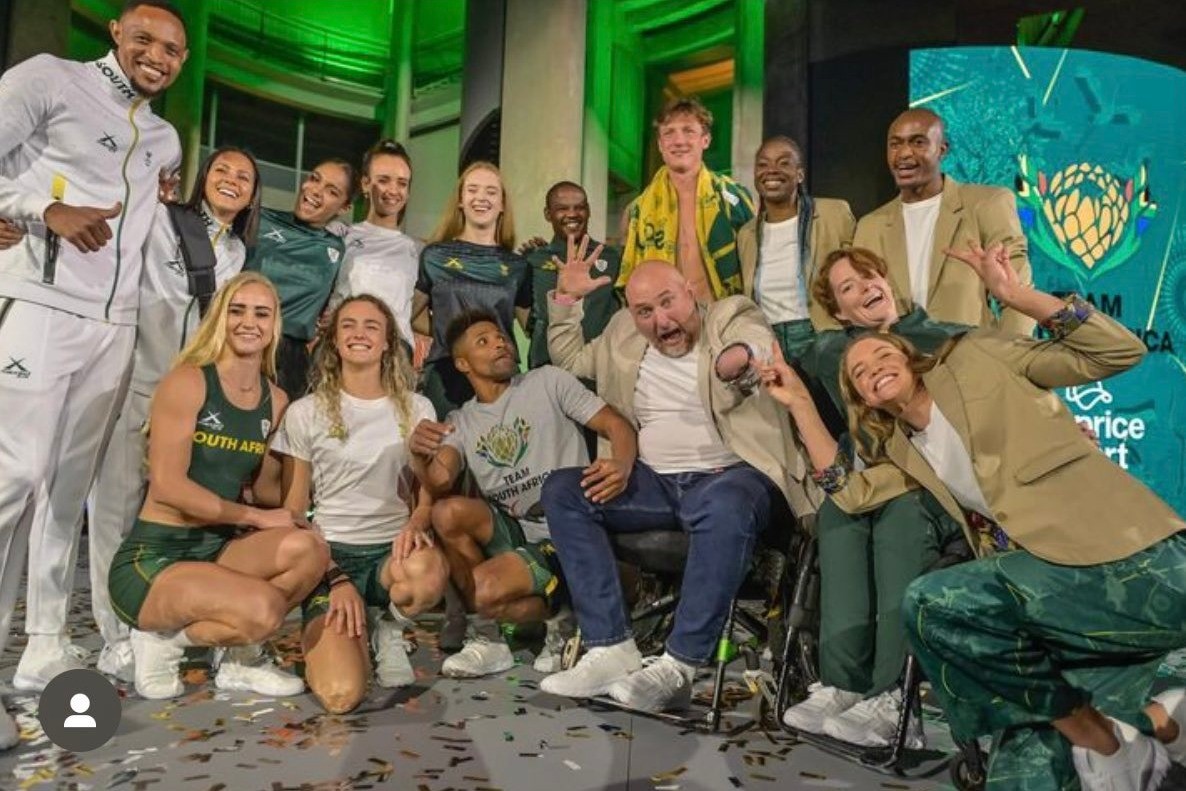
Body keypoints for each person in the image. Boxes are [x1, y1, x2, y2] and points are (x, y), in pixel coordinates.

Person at [762, 243, 1186, 789]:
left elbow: (1116, 352)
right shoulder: (905, 448)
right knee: (1019, 780)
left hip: (1134, 562)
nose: (873, 367)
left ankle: (1123, 733)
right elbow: (850, 492)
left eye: (882, 354)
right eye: (859, 372)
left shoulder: (976, 355)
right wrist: (800, 404)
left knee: (935, 602)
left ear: (910, 357)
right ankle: (1145, 728)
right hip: (1059, 612)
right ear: (863, 400)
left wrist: (1016, 295)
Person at [0, 0, 187, 744]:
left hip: (114, 330)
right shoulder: (49, 78)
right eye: (144, 39)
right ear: (114, 33)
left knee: (66, 489)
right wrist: (41, 211)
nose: (157, 56)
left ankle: (44, 643)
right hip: (38, 303)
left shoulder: (165, 139)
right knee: (12, 479)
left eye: (172, 49)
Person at [538, 247, 816, 713]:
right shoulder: (622, 332)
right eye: (645, 311)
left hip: (733, 476)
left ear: (690, 292)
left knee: (725, 503)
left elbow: (755, 343)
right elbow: (569, 362)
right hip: (656, 483)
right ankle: (611, 647)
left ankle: (679, 667)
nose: (660, 320)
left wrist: (738, 359)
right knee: (564, 491)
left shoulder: (729, 314)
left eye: (668, 302)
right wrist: (566, 300)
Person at [77, 146, 260, 686]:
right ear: (202, 177)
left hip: (190, 401)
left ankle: (158, 625)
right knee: (113, 510)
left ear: (253, 194)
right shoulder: (163, 219)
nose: (231, 180)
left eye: (244, 177)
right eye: (222, 170)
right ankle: (115, 638)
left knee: (168, 516)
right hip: (134, 383)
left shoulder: (239, 256)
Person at [778, 246, 967, 746]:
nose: (864, 288)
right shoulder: (834, 354)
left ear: (886, 279)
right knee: (838, 514)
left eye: (868, 277)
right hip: (874, 482)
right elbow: (779, 359)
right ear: (840, 312)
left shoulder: (945, 338)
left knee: (899, 520)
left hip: (933, 488)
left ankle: (894, 694)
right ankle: (843, 683)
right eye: (848, 288)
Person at [107, 272, 326, 700]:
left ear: (274, 326)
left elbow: (266, 492)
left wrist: (317, 456)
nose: (249, 322)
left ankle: (238, 660)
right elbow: (169, 487)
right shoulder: (188, 381)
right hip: (156, 558)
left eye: (261, 313)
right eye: (237, 311)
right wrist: (255, 517)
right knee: (264, 609)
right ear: (220, 318)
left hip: (219, 550)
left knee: (310, 549)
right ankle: (162, 643)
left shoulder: (277, 400)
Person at [407, 307, 637, 678]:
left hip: (568, 531)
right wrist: (419, 457)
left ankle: (564, 618)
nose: (500, 343)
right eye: (484, 341)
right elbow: (439, 481)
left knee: (484, 591)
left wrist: (622, 465)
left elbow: (615, 424)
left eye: (501, 337)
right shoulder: (461, 421)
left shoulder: (548, 381)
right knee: (445, 513)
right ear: (463, 364)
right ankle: (490, 639)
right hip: (518, 531)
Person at [273, 295, 448, 713]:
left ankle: (389, 627)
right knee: (340, 695)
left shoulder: (418, 407)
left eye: (372, 325)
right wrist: (335, 577)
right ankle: (346, 631)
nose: (359, 333)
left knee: (426, 575)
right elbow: (293, 512)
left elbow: (429, 492)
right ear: (333, 341)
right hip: (328, 557)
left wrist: (417, 521)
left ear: (388, 341)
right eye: (348, 325)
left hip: (391, 554)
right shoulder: (304, 412)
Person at [853, 108, 1034, 336]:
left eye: (918, 142)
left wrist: (1011, 351)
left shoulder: (987, 204)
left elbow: (1017, 291)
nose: (904, 153)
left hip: (970, 353)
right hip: (898, 355)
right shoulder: (870, 227)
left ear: (942, 149)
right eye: (895, 144)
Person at [415, 161, 531, 417]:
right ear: (460, 200)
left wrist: (559, 288)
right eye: (472, 190)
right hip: (446, 374)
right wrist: (451, 335)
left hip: (501, 375)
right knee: (444, 441)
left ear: (502, 204)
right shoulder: (434, 256)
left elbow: (532, 327)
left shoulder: (517, 266)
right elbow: (411, 315)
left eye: (491, 192)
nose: (481, 197)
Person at [617, 96, 755, 304]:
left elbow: (757, 266)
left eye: (688, 131)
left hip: (724, 312)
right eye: (669, 133)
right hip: (663, 319)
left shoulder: (734, 198)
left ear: (705, 140)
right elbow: (630, 280)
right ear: (660, 144)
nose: (679, 141)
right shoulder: (636, 211)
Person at [244, 160, 353, 400]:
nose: (316, 191)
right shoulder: (258, 219)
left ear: (344, 207)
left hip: (290, 360)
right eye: (314, 179)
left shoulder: (338, 249)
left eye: (331, 191)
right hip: (243, 340)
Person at [737, 136, 856, 352]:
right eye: (763, 164)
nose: (771, 170)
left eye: (783, 163)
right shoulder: (746, 234)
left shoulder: (834, 214)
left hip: (822, 334)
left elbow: (860, 273)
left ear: (800, 174)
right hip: (768, 340)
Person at [328, 140, 419, 357]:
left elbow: (416, 309)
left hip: (396, 356)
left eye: (402, 183)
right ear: (365, 184)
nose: (393, 190)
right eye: (384, 180)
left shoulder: (417, 250)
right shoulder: (341, 235)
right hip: (343, 350)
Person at [523, 181, 621, 369]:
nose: (572, 214)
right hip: (546, 370)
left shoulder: (611, 257)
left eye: (579, 207)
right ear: (548, 214)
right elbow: (523, 309)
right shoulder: (534, 259)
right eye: (562, 208)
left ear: (588, 211)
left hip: (598, 369)